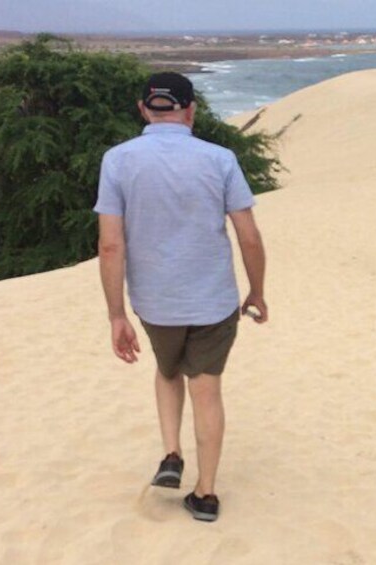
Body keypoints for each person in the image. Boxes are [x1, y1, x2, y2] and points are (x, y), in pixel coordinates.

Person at [95, 72, 268, 522]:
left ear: (143, 109)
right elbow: (248, 236)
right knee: (206, 388)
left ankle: (171, 453)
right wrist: (258, 291)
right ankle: (206, 495)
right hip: (214, 300)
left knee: (167, 370)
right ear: (191, 110)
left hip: (154, 302)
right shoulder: (220, 159)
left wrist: (116, 315)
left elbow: (111, 244)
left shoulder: (117, 160)